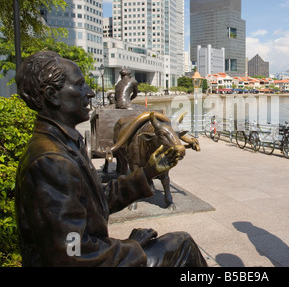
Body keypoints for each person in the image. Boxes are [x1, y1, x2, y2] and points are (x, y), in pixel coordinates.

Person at [15, 51, 207, 267]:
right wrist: (130, 247)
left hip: (94, 252)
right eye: (79, 85)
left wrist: (147, 172)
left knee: (178, 243)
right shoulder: (50, 161)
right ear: (52, 94)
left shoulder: (64, 143)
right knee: (183, 245)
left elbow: (95, 202)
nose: (89, 92)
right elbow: (72, 252)